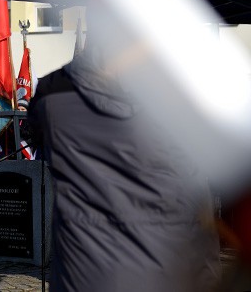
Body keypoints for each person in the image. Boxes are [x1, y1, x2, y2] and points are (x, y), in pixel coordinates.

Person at [28, 35, 220, 291]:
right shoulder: (178, 111)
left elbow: (36, 135)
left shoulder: (52, 93)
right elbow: (198, 217)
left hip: (79, 277)